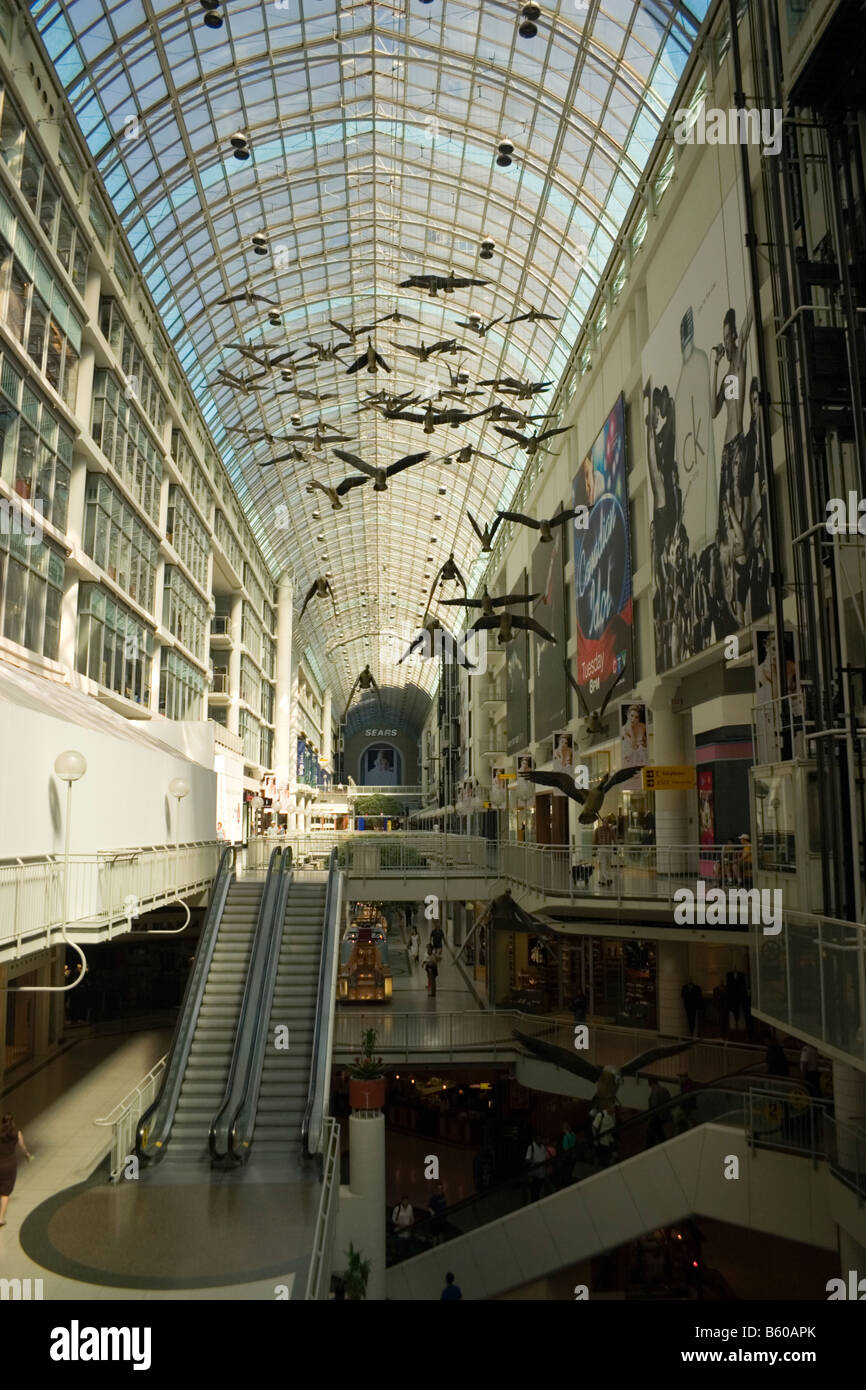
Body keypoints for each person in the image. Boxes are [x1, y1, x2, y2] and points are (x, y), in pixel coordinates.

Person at [0, 1113, 32, 1226]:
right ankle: (1, 1218)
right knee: (5, 1193)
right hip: (10, 1165)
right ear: (12, 1122)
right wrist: (28, 1155)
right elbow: (22, 1146)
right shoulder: (17, 1134)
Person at [645, 1077, 672, 1148]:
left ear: (650, 1083)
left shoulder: (654, 1091)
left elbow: (654, 1107)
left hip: (657, 1118)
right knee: (661, 1134)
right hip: (665, 1116)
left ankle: (649, 1148)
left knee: (651, 1136)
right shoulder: (664, 1089)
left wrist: (650, 1120)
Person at [591, 1101, 617, 1167]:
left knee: (614, 1155)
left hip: (610, 1140)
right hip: (601, 1141)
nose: (614, 1109)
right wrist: (595, 1139)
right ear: (608, 1108)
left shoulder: (613, 1115)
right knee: (599, 1157)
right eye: (613, 1108)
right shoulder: (601, 1115)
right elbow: (594, 1127)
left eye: (614, 1108)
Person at [525, 1134, 549, 1202]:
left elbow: (546, 1156)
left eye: (540, 1139)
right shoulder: (531, 1147)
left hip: (542, 1173)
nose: (540, 1140)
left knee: (539, 1190)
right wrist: (535, 1163)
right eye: (538, 1139)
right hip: (534, 1174)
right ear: (535, 1139)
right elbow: (527, 1159)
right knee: (534, 1191)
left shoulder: (542, 1147)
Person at [428, 1181, 448, 1245]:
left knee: (441, 1234)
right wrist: (433, 1214)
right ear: (437, 1189)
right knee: (435, 1235)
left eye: (441, 1188)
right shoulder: (433, 1198)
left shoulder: (443, 1196)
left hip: (442, 1219)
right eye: (439, 1189)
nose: (440, 1190)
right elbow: (430, 1207)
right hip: (436, 1220)